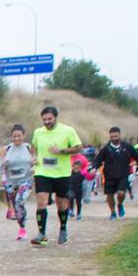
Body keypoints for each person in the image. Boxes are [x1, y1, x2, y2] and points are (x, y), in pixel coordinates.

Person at [28, 105, 82, 246]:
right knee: (41, 201)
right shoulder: (38, 132)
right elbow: (33, 146)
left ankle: (63, 229)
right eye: (44, 119)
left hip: (61, 172)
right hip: (42, 171)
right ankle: (41, 234)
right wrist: (33, 157)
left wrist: (62, 151)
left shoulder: (67, 130)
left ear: (56, 117)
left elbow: (78, 147)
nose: (46, 122)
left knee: (61, 202)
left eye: (49, 119)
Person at [93, 127, 138, 219]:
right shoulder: (106, 149)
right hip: (109, 175)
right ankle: (113, 212)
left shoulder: (127, 147)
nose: (114, 138)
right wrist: (94, 168)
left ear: (120, 135)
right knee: (109, 196)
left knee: (121, 193)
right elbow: (98, 160)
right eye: (112, 136)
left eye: (116, 136)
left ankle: (120, 204)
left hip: (123, 175)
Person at [0, 125, 35, 239]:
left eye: (19, 136)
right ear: (11, 137)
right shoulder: (6, 149)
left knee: (19, 201)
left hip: (25, 180)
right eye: (14, 136)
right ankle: (22, 226)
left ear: (24, 136)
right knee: (16, 205)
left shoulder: (28, 148)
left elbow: (36, 160)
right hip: (11, 182)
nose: (17, 138)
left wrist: (34, 164)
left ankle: (22, 230)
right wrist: (3, 163)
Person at [69, 151, 94, 220]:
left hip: (79, 189)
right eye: (75, 167)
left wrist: (92, 175)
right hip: (71, 188)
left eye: (78, 168)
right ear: (72, 167)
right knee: (71, 197)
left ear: (80, 168)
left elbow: (88, 177)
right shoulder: (70, 173)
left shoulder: (82, 174)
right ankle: (71, 210)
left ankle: (78, 213)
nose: (76, 169)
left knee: (78, 202)